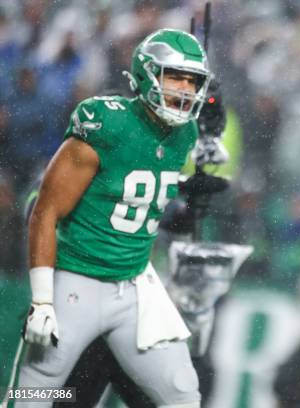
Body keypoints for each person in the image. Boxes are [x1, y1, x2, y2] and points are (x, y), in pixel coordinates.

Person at [16, 28, 212, 408]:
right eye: (176, 77)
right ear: (147, 74)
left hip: (135, 284)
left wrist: (189, 190)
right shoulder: (107, 122)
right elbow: (46, 210)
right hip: (78, 281)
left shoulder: (184, 133)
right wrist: (42, 301)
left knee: (182, 390)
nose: (186, 89)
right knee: (34, 391)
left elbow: (139, 190)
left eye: (193, 81)